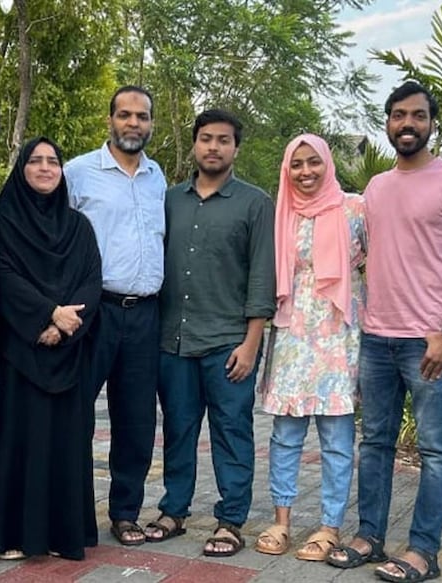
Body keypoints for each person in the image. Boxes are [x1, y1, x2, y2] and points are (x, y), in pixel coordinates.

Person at [327, 81, 442, 583]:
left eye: (417, 115)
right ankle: (369, 536)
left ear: (432, 123)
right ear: (388, 122)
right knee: (375, 442)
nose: (407, 124)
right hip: (377, 337)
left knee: (437, 448)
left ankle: (423, 551)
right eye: (398, 115)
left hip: (429, 341)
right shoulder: (376, 187)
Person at [142, 109, 275, 557]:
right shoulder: (169, 199)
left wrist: (251, 343)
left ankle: (231, 520)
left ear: (236, 148)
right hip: (173, 341)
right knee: (177, 429)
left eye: (223, 140)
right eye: (205, 139)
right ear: (194, 144)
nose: (213, 147)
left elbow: (262, 276)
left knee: (231, 431)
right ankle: (174, 510)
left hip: (227, 344)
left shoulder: (255, 203)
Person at [0, 137, 103, 560]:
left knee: (66, 443)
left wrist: (65, 326)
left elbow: (91, 279)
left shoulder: (78, 226)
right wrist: (47, 315)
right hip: (19, 351)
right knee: (17, 441)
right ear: (21, 168)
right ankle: (11, 534)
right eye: (36, 161)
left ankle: (59, 532)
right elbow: (3, 274)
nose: (46, 168)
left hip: (69, 351)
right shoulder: (2, 221)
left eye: (53, 161)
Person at [253, 134, 366, 561]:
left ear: (327, 164)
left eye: (313, 162)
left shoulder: (354, 208)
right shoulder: (282, 213)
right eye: (296, 164)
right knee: (284, 437)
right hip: (292, 335)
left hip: (339, 336)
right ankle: (281, 521)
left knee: (336, 439)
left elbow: (383, 261)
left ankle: (329, 527)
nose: (305, 172)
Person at [64, 86, 167, 546]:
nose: (133, 123)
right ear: (110, 119)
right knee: (75, 415)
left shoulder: (157, 176)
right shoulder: (77, 173)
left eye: (141, 116)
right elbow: (53, 240)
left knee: (137, 420)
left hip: (145, 315)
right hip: (93, 313)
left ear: (150, 123)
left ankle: (125, 512)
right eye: (124, 115)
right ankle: (70, 513)